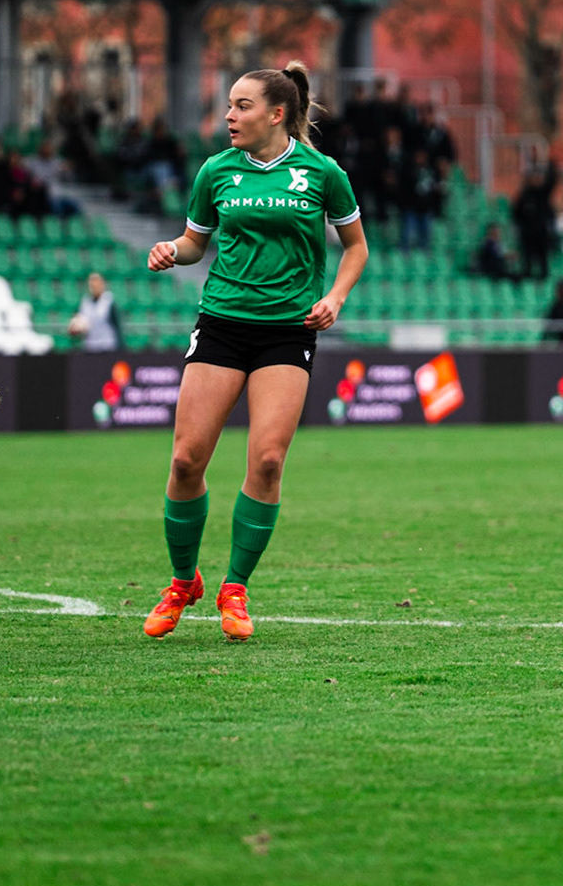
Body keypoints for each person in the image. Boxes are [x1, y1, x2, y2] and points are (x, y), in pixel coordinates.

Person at [141, 60, 367, 642]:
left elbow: (356, 247)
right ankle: (183, 581)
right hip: (221, 325)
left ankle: (234, 587)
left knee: (267, 460)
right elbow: (196, 244)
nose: (229, 116)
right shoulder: (216, 172)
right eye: (229, 105)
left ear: (277, 114)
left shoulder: (322, 172)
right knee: (187, 460)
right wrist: (172, 248)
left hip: (287, 330)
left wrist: (336, 297)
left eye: (242, 106)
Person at [68, 271, 122, 352]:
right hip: (90, 346)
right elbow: (77, 321)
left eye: (96, 282)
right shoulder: (85, 302)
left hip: (107, 346)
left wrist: (120, 346)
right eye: (92, 283)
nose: (94, 286)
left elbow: (116, 325)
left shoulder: (108, 301)